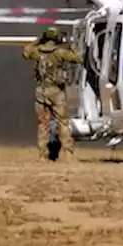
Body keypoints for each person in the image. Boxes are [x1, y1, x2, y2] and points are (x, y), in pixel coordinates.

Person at [22, 26, 83, 161]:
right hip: (56, 92)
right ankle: (68, 154)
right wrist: (71, 45)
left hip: (41, 91)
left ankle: (42, 155)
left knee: (42, 125)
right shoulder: (60, 53)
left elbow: (25, 52)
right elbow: (79, 58)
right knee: (63, 123)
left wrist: (38, 41)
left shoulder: (37, 52)